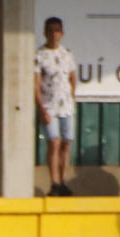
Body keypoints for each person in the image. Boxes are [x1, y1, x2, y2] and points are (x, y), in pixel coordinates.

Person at [34, 17, 76, 197]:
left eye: (57, 30)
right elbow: (36, 85)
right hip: (49, 106)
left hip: (66, 105)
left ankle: (64, 180)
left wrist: (71, 97)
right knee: (54, 142)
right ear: (45, 32)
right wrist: (42, 108)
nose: (53, 34)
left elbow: (73, 78)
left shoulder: (67, 53)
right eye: (50, 30)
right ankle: (54, 183)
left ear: (62, 33)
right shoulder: (39, 55)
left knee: (66, 143)